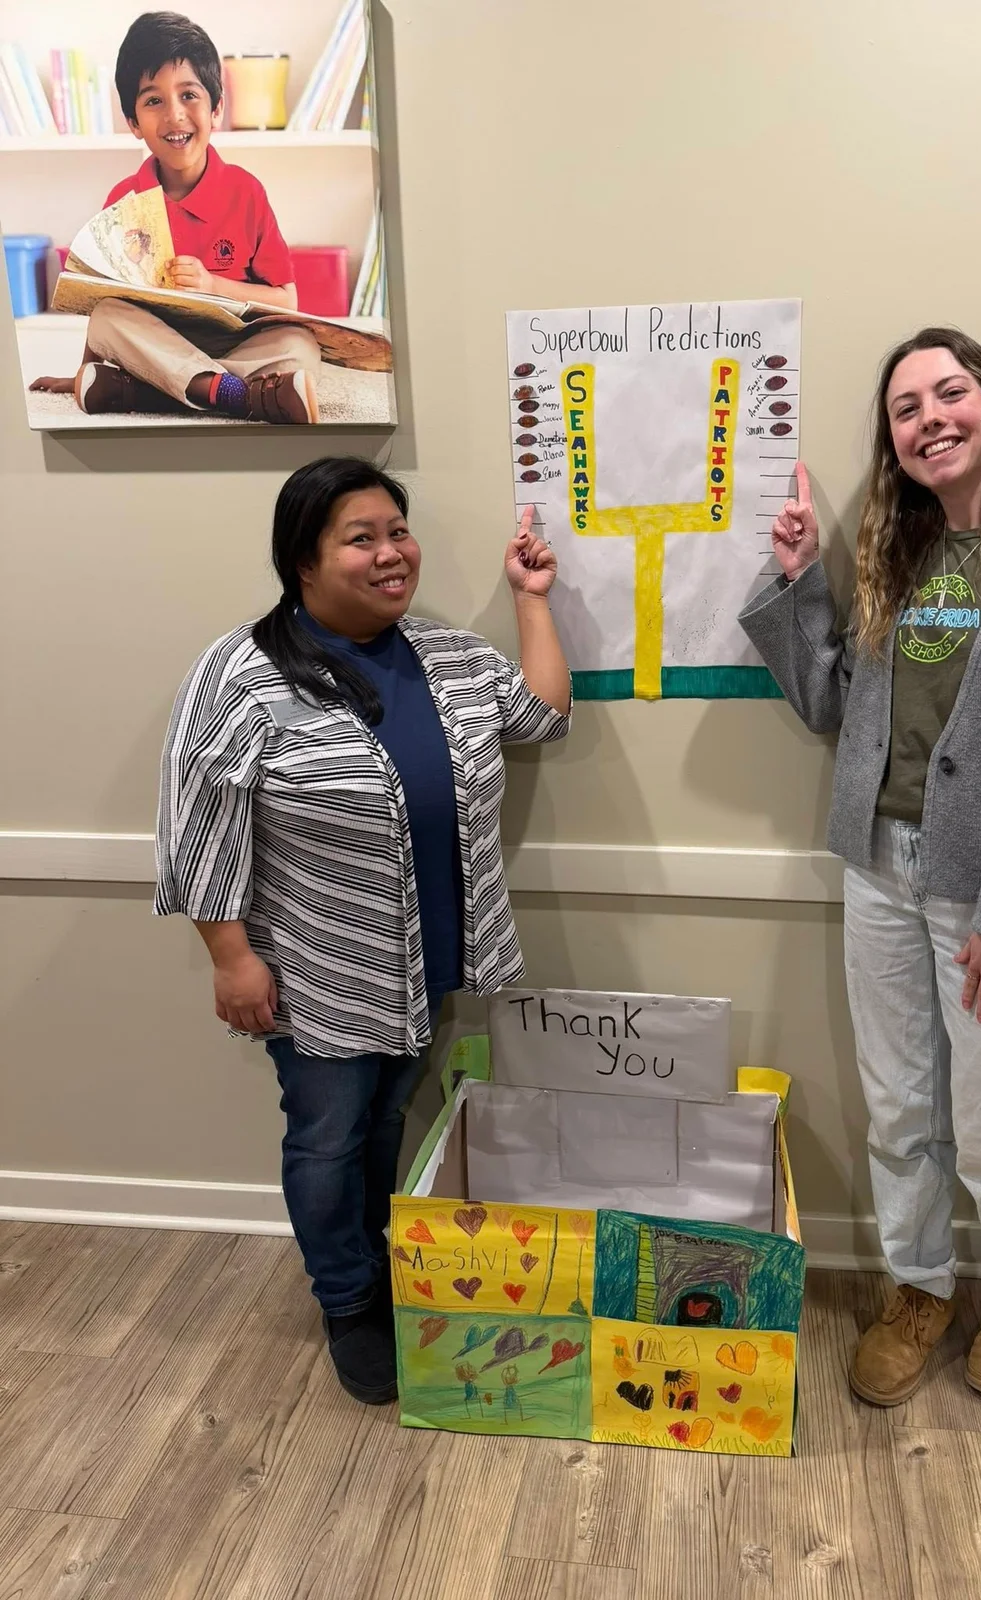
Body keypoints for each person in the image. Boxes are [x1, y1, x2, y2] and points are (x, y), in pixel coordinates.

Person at [740, 327, 981, 1405]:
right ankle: (919, 1288)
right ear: (894, 441)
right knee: (901, 1104)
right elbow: (833, 709)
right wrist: (794, 581)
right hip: (879, 868)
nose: (930, 419)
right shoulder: (895, 557)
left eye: (949, 393)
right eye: (906, 409)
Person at [156, 457, 570, 1403]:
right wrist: (231, 958)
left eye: (399, 531)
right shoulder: (242, 673)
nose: (392, 555)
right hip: (315, 968)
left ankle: (383, 1266)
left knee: (390, 1118)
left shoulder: (449, 655)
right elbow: (199, 824)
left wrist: (531, 600)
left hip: (429, 953)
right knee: (328, 1136)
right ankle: (346, 1301)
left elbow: (543, 716)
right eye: (361, 538)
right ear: (303, 560)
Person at [31, 12, 320, 423]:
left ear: (216, 108)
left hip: (233, 345)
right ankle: (238, 395)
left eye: (189, 95)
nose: (174, 115)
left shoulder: (246, 192)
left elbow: (286, 300)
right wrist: (82, 373)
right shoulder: (124, 201)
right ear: (133, 123)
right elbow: (105, 303)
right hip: (156, 344)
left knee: (301, 345)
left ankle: (155, 392)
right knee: (106, 319)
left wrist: (212, 284)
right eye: (153, 101)